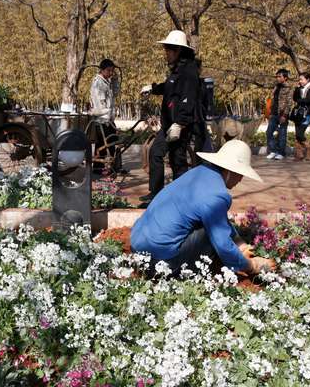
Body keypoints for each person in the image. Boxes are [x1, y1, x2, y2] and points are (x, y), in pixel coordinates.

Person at [131, 140, 276, 277]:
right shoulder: (217, 195)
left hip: (137, 250)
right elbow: (223, 244)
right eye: (240, 174)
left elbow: (218, 218)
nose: (241, 179)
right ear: (229, 170)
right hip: (159, 263)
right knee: (211, 234)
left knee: (211, 222)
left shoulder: (200, 172)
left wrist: (240, 244)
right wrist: (252, 265)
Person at [139, 30, 203, 206]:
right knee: (156, 153)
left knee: (178, 161)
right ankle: (156, 193)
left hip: (180, 126)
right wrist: (152, 88)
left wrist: (180, 124)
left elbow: (189, 99)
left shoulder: (189, 71)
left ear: (178, 51)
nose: (166, 53)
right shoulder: (177, 70)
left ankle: (182, 198)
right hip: (169, 124)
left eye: (168, 50)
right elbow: (169, 88)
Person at [89, 58, 125, 174]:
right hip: (101, 119)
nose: (110, 73)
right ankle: (99, 168)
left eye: (112, 71)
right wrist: (108, 112)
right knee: (104, 144)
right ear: (102, 70)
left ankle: (113, 166)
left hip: (108, 118)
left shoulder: (107, 81)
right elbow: (99, 103)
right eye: (108, 71)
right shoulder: (97, 83)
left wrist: (115, 81)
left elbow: (115, 94)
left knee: (112, 142)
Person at [266, 69, 292, 160]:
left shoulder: (288, 88)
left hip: (282, 114)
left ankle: (281, 153)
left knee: (282, 134)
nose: (277, 78)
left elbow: (289, 103)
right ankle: (273, 151)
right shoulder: (276, 86)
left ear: (285, 78)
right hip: (273, 113)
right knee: (269, 132)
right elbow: (272, 99)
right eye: (277, 76)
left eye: (279, 76)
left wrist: (285, 115)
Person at [291, 72, 310, 161]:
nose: (300, 81)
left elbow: (309, 99)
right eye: (299, 79)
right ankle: (299, 155)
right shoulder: (300, 88)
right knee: (297, 134)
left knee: (300, 133)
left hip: (307, 114)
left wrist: (300, 101)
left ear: (307, 79)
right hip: (298, 114)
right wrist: (297, 89)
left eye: (301, 79)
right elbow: (295, 98)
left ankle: (308, 150)